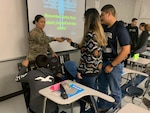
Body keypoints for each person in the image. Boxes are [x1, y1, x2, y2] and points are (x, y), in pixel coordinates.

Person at [67, 8, 107, 113]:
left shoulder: (90, 34)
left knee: (87, 97)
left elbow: (89, 58)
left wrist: (80, 71)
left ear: (88, 19)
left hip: (88, 72)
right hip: (96, 70)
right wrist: (71, 43)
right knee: (90, 95)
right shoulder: (98, 33)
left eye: (85, 18)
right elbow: (85, 49)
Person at [97, 4, 131, 112]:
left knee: (115, 90)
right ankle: (102, 107)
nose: (100, 17)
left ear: (109, 14)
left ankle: (117, 109)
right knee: (102, 88)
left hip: (114, 65)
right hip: (103, 62)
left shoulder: (120, 28)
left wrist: (112, 65)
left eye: (102, 15)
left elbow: (126, 50)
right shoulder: (104, 27)